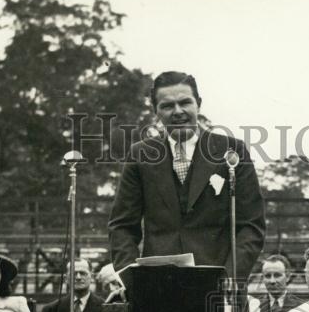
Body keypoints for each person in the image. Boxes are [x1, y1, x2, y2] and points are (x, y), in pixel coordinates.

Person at [107, 71, 266, 287]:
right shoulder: (140, 155)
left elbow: (251, 225)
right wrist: (131, 278)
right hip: (157, 291)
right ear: (156, 111)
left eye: (185, 103)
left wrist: (230, 276)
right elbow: (122, 226)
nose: (178, 112)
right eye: (167, 106)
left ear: (198, 104)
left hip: (219, 287)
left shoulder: (232, 151)